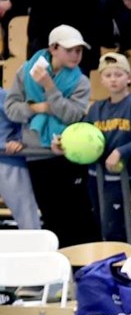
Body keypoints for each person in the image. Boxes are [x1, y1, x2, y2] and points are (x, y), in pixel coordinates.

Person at [1, 25, 91, 240]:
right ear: (53, 48)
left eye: (79, 50)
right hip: (37, 155)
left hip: (69, 153)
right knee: (52, 216)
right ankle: (60, 266)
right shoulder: (25, 72)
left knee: (78, 215)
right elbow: (11, 109)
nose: (75, 55)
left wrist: (50, 88)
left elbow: (72, 115)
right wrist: (35, 108)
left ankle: (84, 266)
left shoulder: (81, 81)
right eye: (70, 50)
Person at [86, 54, 131, 240]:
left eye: (118, 74)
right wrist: (64, 141)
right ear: (101, 79)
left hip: (120, 176)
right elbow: (83, 134)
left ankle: (120, 264)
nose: (113, 79)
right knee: (99, 223)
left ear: (129, 78)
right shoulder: (96, 108)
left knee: (114, 225)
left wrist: (120, 151)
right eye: (108, 75)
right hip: (95, 174)